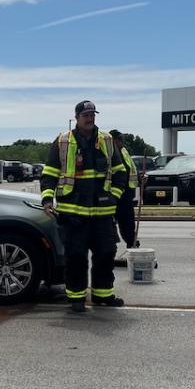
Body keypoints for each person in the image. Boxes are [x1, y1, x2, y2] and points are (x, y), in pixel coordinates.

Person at [41, 101, 130, 313]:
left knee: (106, 254)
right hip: (73, 214)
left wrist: (114, 197)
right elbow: (50, 174)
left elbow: (120, 173)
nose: (90, 119)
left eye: (92, 115)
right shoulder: (63, 141)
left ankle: (103, 295)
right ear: (77, 117)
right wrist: (46, 200)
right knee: (76, 257)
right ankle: (76, 298)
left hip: (102, 214)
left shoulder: (107, 140)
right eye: (86, 115)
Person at [109, 129, 140, 266]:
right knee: (111, 227)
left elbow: (131, 170)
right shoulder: (109, 154)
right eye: (120, 139)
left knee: (128, 224)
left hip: (126, 195)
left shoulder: (124, 152)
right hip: (115, 196)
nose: (122, 142)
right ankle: (108, 255)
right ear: (113, 140)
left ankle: (133, 250)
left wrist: (140, 178)